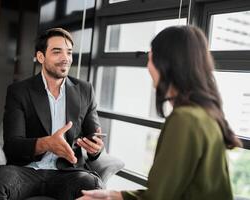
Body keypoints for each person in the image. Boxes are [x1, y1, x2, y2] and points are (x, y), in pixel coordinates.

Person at [77, 25, 242, 200]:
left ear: (166, 64)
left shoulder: (184, 119)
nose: (148, 66)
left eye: (151, 57)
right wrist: (114, 195)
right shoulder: (206, 113)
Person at [0, 28, 105, 200]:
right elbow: (12, 145)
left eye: (69, 52)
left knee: (92, 185)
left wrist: (96, 148)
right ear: (41, 57)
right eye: (57, 52)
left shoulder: (85, 91)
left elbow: (93, 138)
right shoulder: (19, 91)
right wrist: (47, 143)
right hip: (27, 171)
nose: (65, 58)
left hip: (67, 174)